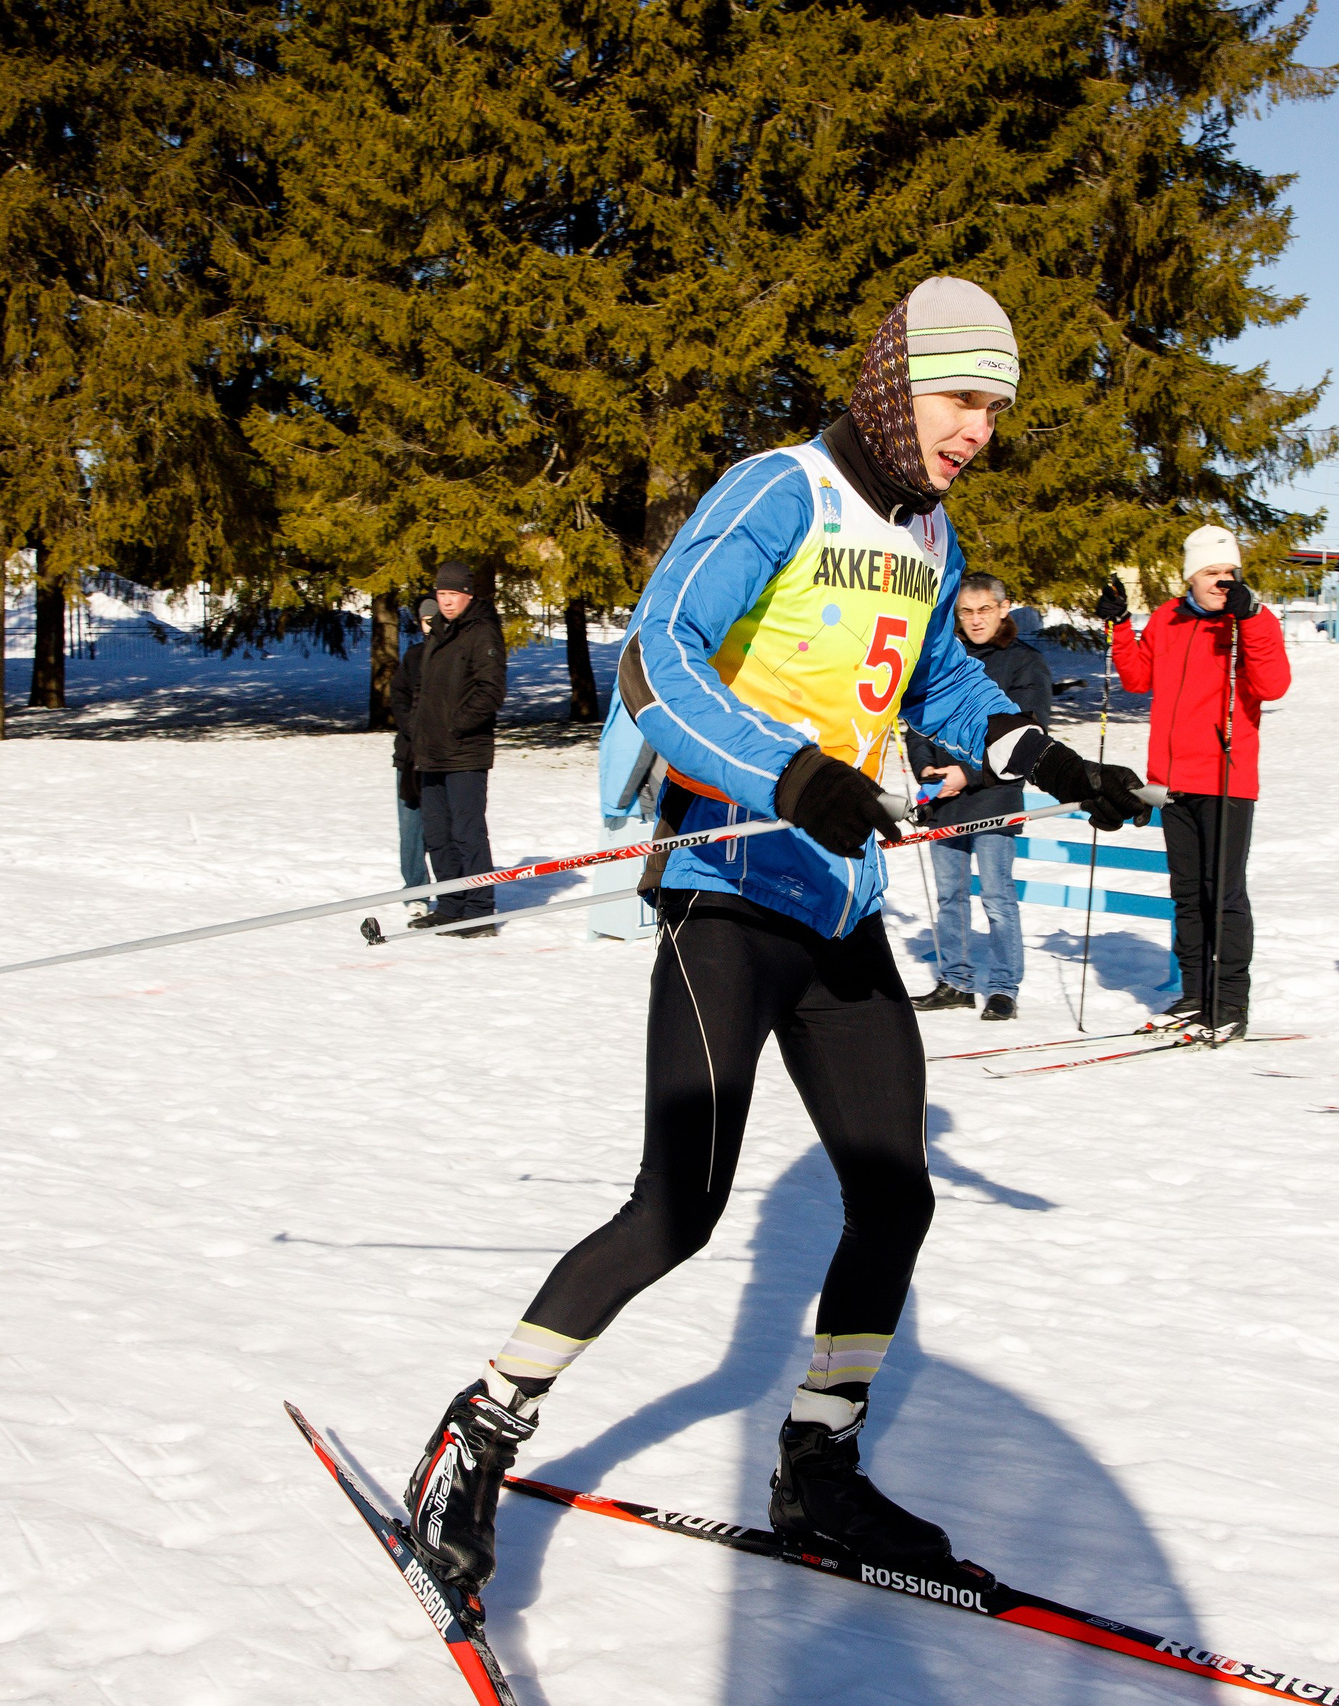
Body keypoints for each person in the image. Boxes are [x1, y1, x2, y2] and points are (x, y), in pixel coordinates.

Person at [402, 277, 1151, 1594]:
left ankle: (819, 1461)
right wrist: (789, 774)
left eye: (993, 411)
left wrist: (1040, 752)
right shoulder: (780, 492)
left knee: (896, 1191)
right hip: (728, 888)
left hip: (841, 904)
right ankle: (478, 1432)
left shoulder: (931, 536)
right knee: (679, 1207)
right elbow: (658, 660)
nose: (977, 430)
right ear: (895, 380)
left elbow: (937, 681)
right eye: (962, 399)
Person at [1099, 526, 1290, 1040]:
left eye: (1230, 573)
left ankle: (1229, 1002)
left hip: (1227, 779)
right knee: (1186, 895)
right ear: (1191, 576)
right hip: (1173, 781)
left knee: (1223, 894)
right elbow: (1139, 679)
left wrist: (1249, 620)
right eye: (1212, 572)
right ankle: (1196, 995)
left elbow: (1274, 684)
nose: (1222, 581)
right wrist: (1120, 625)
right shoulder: (1168, 616)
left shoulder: (1250, 619)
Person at [905, 573, 1052, 1021]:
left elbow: (1030, 735)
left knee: (996, 896)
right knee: (950, 896)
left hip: (994, 798)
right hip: (942, 798)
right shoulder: (943, 658)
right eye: (966, 611)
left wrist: (965, 775)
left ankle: (1004, 986)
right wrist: (927, 770)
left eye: (984, 609)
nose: (975, 620)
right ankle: (956, 980)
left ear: (1004, 608)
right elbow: (919, 717)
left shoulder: (1025, 664)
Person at [409, 563, 507, 934]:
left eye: (453, 595)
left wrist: (455, 726)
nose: (447, 602)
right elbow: (425, 689)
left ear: (468, 595)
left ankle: (480, 909)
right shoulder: (439, 632)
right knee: (436, 833)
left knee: (467, 832)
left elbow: (490, 691)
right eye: (442, 595)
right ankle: (450, 903)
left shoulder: (482, 632)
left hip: (465, 751)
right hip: (431, 751)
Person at [390, 598, 441, 914]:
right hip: (409, 757)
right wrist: (416, 732)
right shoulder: (413, 657)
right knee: (410, 831)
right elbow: (399, 701)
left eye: (435, 620)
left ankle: (452, 892)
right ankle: (416, 894)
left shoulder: (453, 657)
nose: (430, 626)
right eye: (425, 620)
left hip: (443, 758)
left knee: (443, 831)